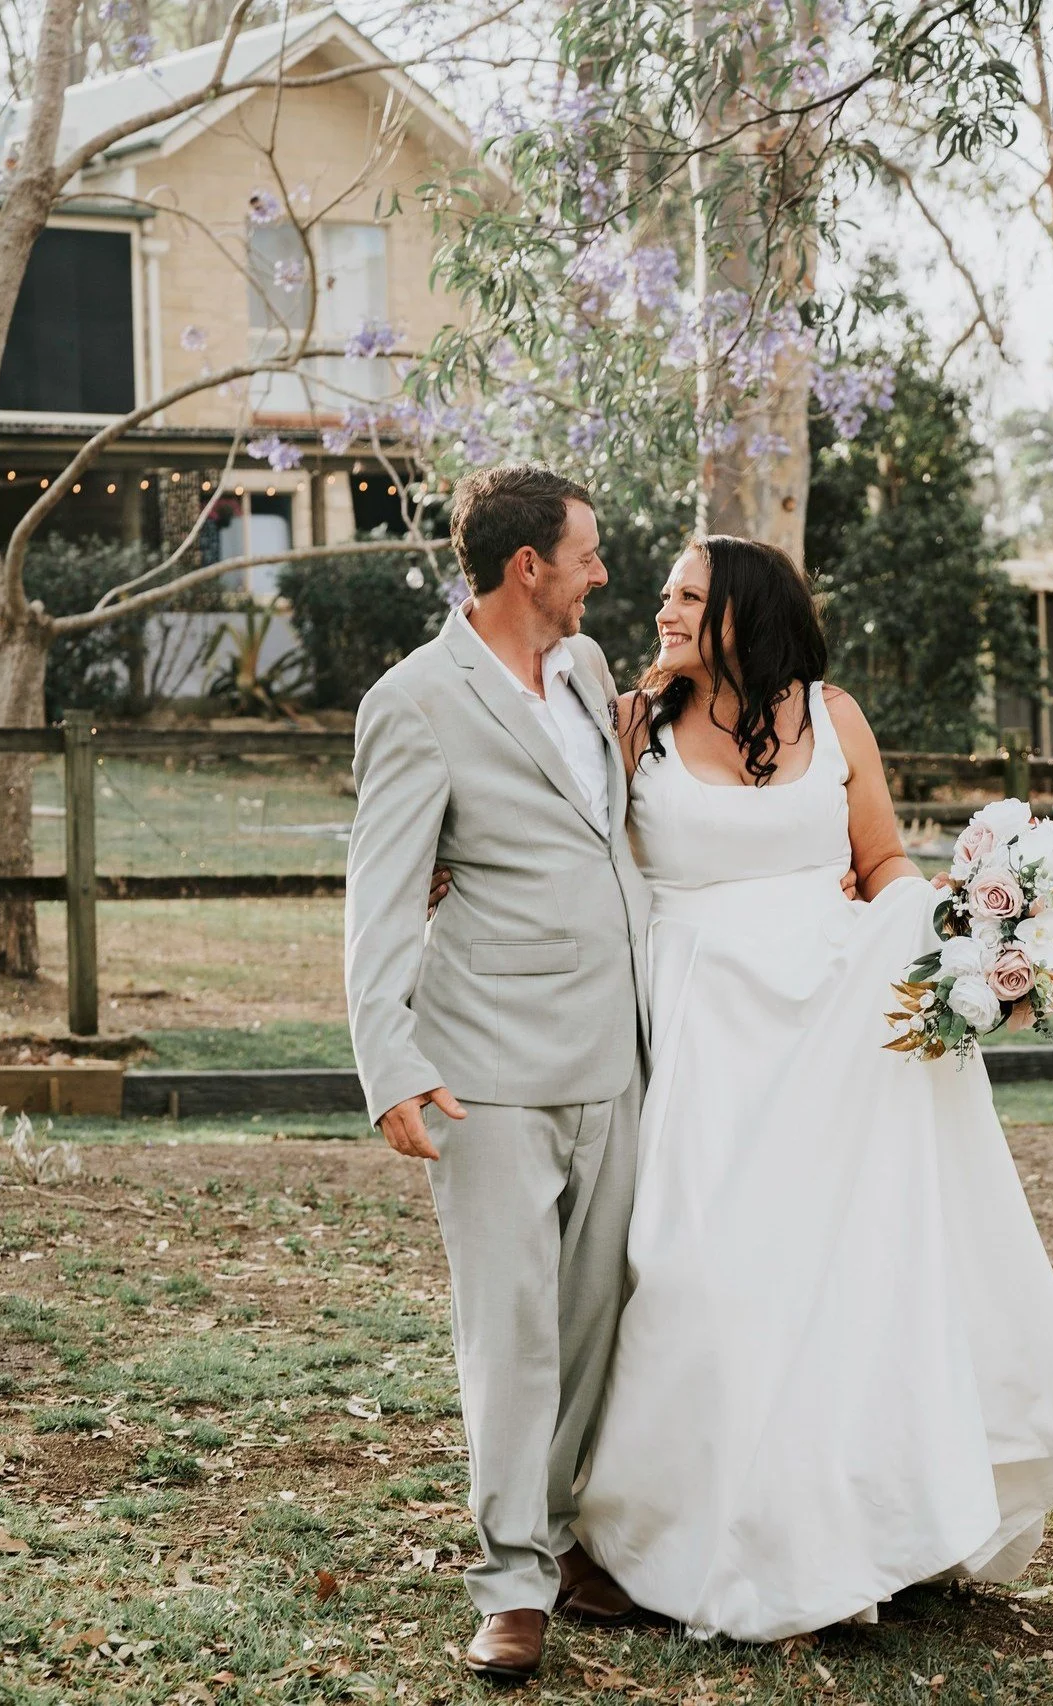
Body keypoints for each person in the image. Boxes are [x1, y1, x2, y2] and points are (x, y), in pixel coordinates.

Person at [569, 533, 1053, 1641]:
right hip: (704, 1030)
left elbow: (884, 868)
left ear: (746, 611)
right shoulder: (632, 722)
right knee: (697, 1270)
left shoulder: (833, 717)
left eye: (688, 596)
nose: (664, 611)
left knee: (846, 1271)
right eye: (667, 595)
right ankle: (677, 1532)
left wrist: (969, 952)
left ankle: (860, 1523)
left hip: (836, 1021)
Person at [344, 464, 650, 1681]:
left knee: (592, 1319)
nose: (600, 573)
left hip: (614, 1056)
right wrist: (391, 1066)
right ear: (529, 565)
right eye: (586, 553)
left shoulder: (585, 672)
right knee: (510, 1332)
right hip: (487, 1068)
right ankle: (511, 1579)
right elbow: (379, 896)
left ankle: (565, 1532)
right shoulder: (415, 700)